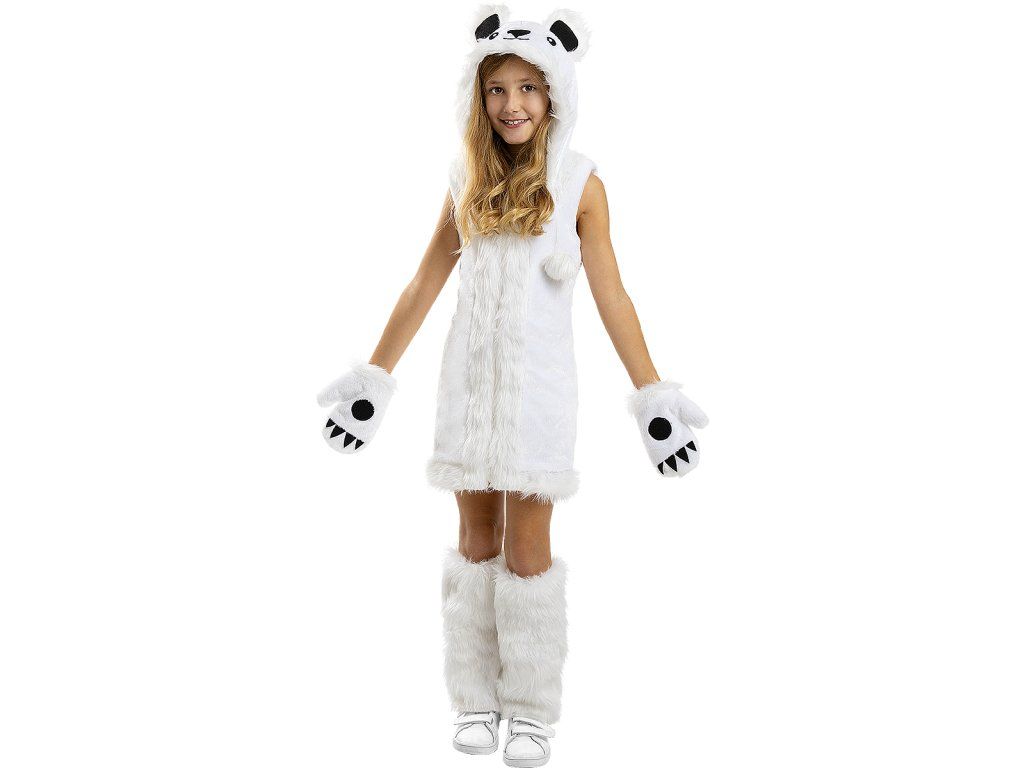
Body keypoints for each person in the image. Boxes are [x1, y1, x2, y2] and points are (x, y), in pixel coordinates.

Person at [316, 7, 708, 766]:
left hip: (538, 397)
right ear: (479, 95)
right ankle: (474, 700)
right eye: (497, 89)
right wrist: (373, 380)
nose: (512, 104)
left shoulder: (580, 184)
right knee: (474, 544)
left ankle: (529, 711)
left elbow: (612, 295)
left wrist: (653, 398)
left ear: (554, 91)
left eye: (528, 87)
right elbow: (424, 282)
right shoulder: (466, 178)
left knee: (528, 551)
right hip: (468, 390)